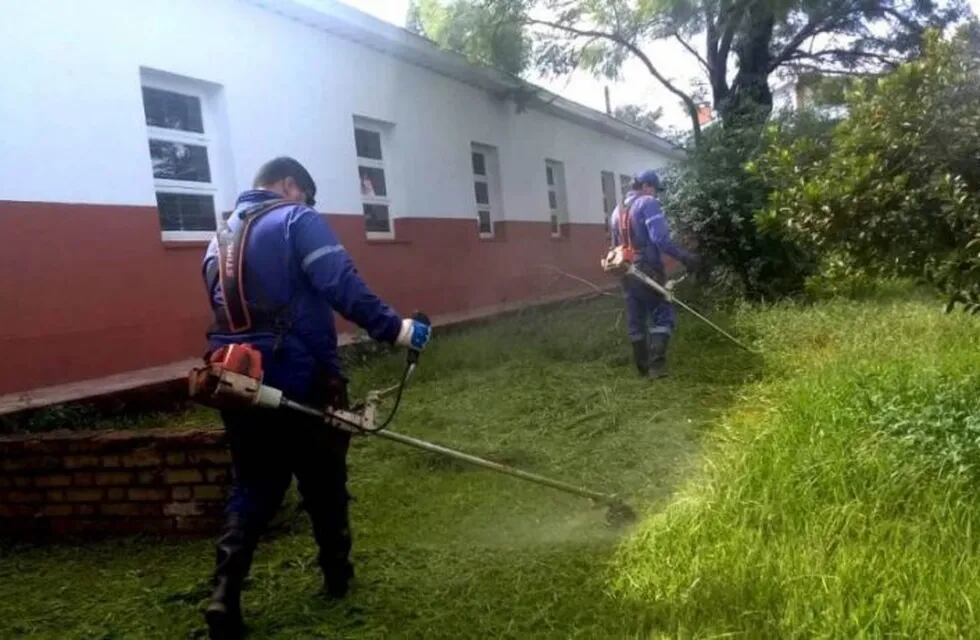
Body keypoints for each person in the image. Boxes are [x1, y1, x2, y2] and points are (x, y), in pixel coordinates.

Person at [200, 157, 432, 639]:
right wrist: (398, 330)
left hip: (238, 379)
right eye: (306, 193)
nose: (307, 202)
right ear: (289, 185)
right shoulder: (295, 220)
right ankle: (337, 576)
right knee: (323, 477)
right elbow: (340, 284)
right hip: (301, 375)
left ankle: (224, 595)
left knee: (254, 484)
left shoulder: (217, 239)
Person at [608, 169, 699, 378]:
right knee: (662, 313)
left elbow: (614, 246)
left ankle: (642, 368)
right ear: (647, 186)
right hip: (648, 268)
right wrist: (686, 257)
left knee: (636, 317)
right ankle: (656, 367)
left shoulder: (616, 211)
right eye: (655, 189)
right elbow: (661, 240)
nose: (656, 194)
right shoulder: (648, 203)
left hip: (625, 270)